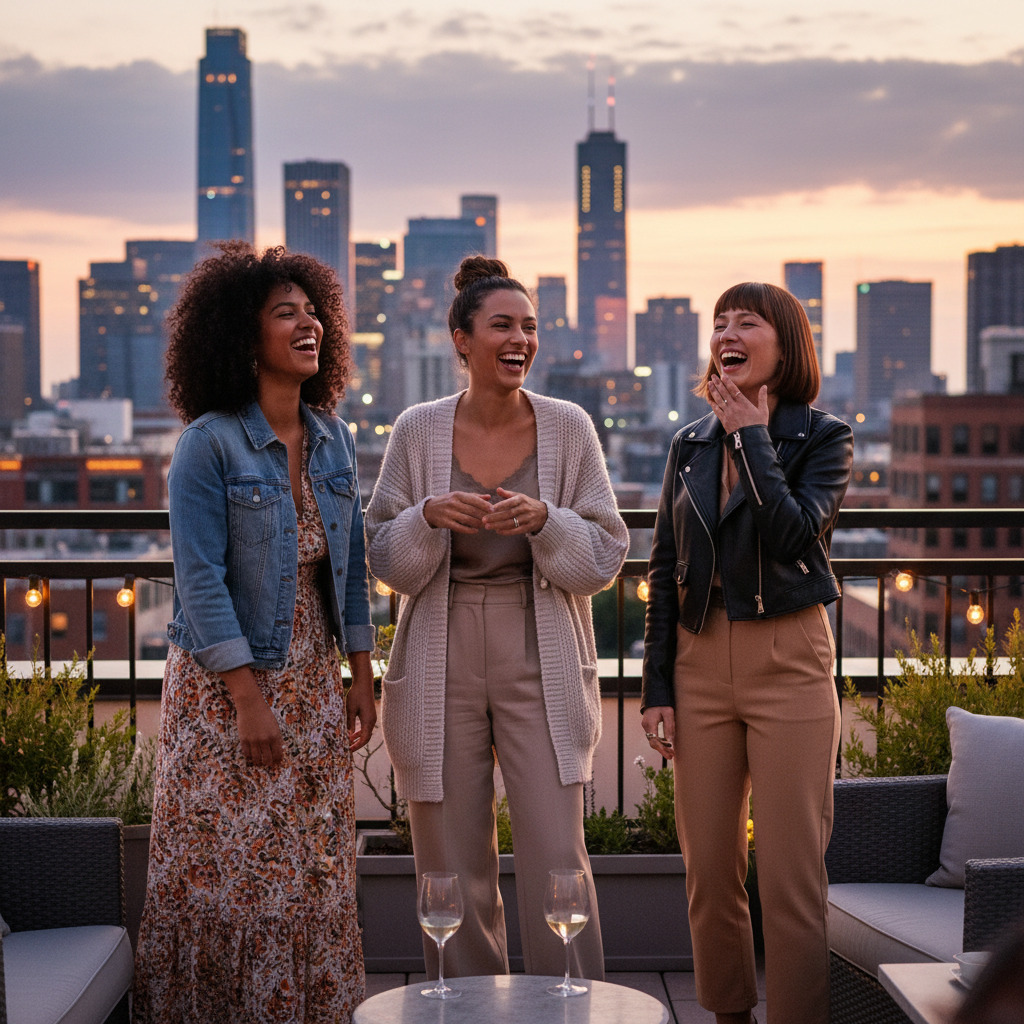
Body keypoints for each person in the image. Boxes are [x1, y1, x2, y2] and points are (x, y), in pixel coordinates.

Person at [365, 256, 628, 980]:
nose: (520, 340)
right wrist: (426, 517)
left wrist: (546, 520)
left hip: (540, 648)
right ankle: (466, 1004)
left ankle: (572, 1005)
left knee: (556, 857)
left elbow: (606, 552)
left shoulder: (569, 427)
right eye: (502, 326)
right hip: (438, 656)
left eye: (530, 327)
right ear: (461, 339)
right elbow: (383, 554)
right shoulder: (416, 431)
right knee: (448, 864)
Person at [133, 243, 376, 1024]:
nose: (306, 324)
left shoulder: (332, 437)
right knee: (223, 874)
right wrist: (246, 696)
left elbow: (350, 567)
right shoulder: (208, 442)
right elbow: (198, 579)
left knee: (309, 870)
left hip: (309, 678)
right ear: (244, 337)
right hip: (223, 689)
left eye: (312, 312)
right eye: (285, 314)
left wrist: (362, 676)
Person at [640, 282, 853, 1024]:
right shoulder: (688, 444)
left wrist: (751, 437)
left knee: (791, 877)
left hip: (789, 661)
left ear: (785, 343)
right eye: (719, 324)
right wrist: (656, 685)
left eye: (746, 322)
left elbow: (795, 534)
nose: (727, 334)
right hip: (700, 664)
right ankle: (728, 1014)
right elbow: (665, 570)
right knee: (710, 871)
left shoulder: (824, 437)